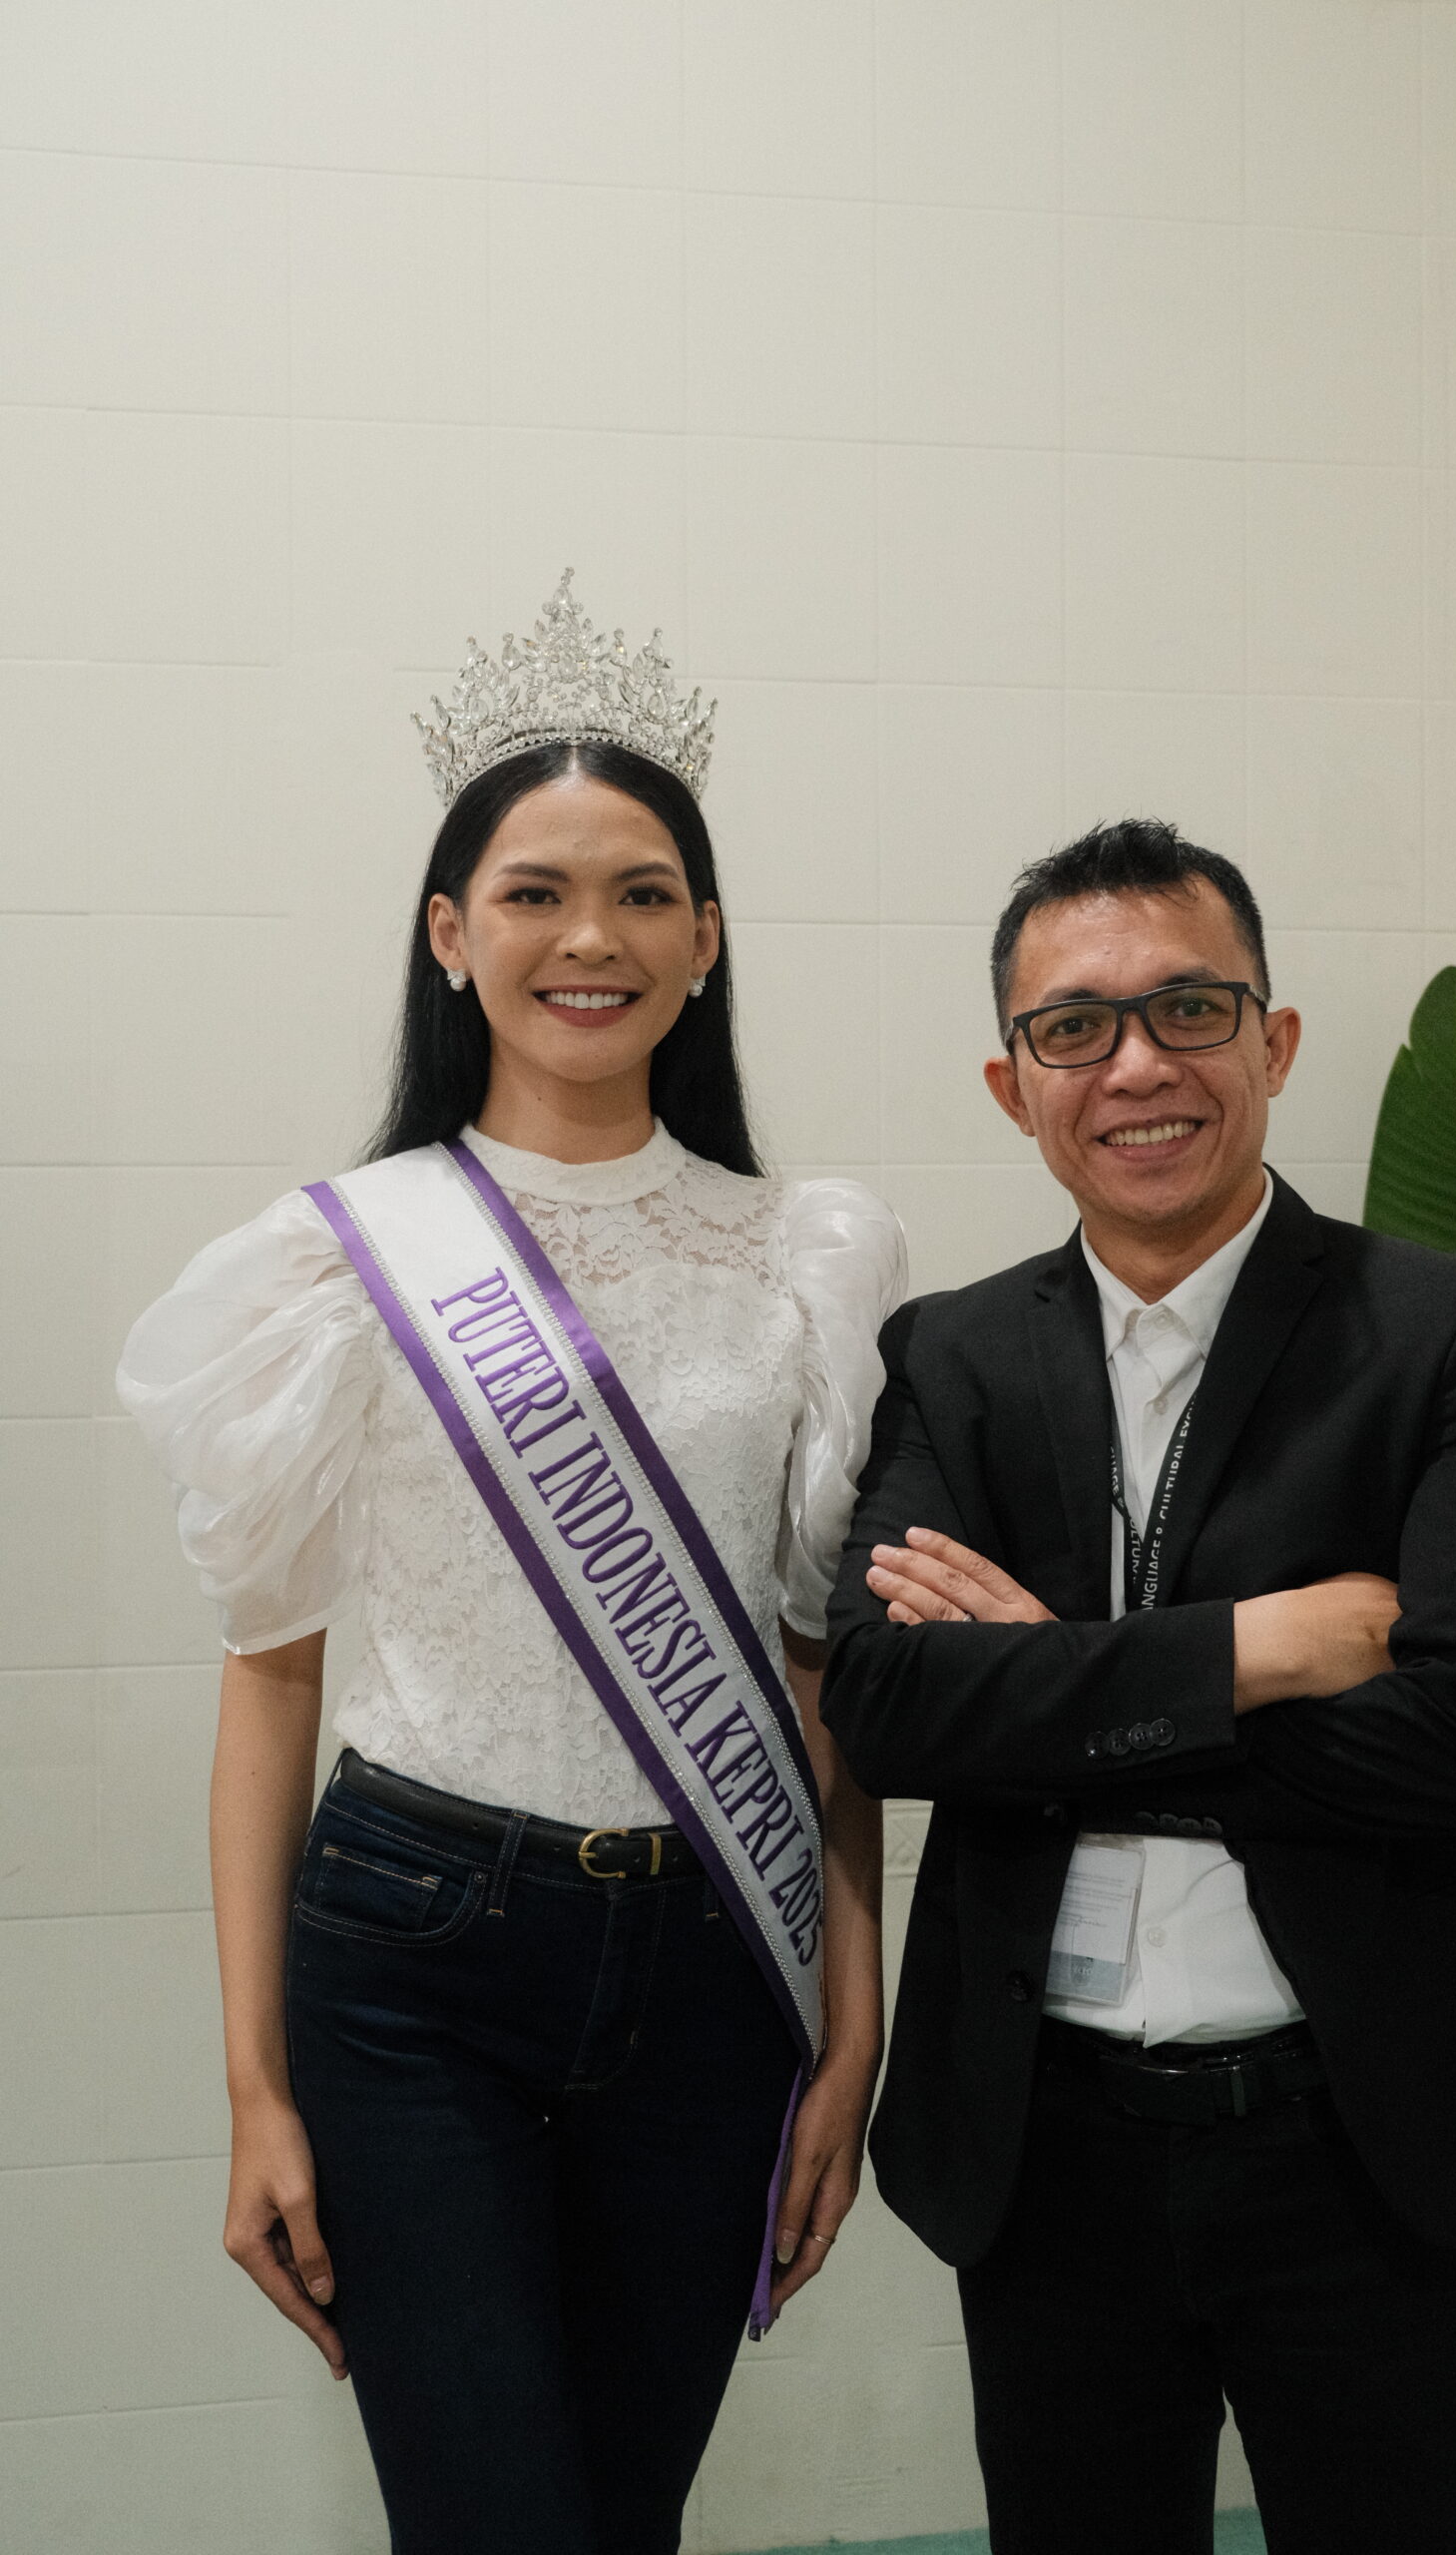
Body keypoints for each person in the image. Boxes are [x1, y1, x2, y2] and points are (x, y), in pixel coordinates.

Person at [118, 570, 905, 2555]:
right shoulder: (332, 1261)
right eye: (535, 891)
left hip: (718, 1973)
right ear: (450, 932)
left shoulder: (808, 1254)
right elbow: (270, 1676)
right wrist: (254, 2086)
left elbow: (815, 1670)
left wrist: (852, 2012)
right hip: (412, 1969)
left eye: (644, 893)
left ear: (706, 939)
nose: (591, 937)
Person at [820, 820, 1456, 2555]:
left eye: (1191, 1009)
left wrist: (1051, 1696)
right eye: (1074, 1027)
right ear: (1012, 1084)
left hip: (1360, 2136)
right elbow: (885, 1709)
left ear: (1275, 1041)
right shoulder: (952, 1354)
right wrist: (1261, 1652)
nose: (1138, 1067)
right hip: (1049, 2145)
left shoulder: (1439, 1328)